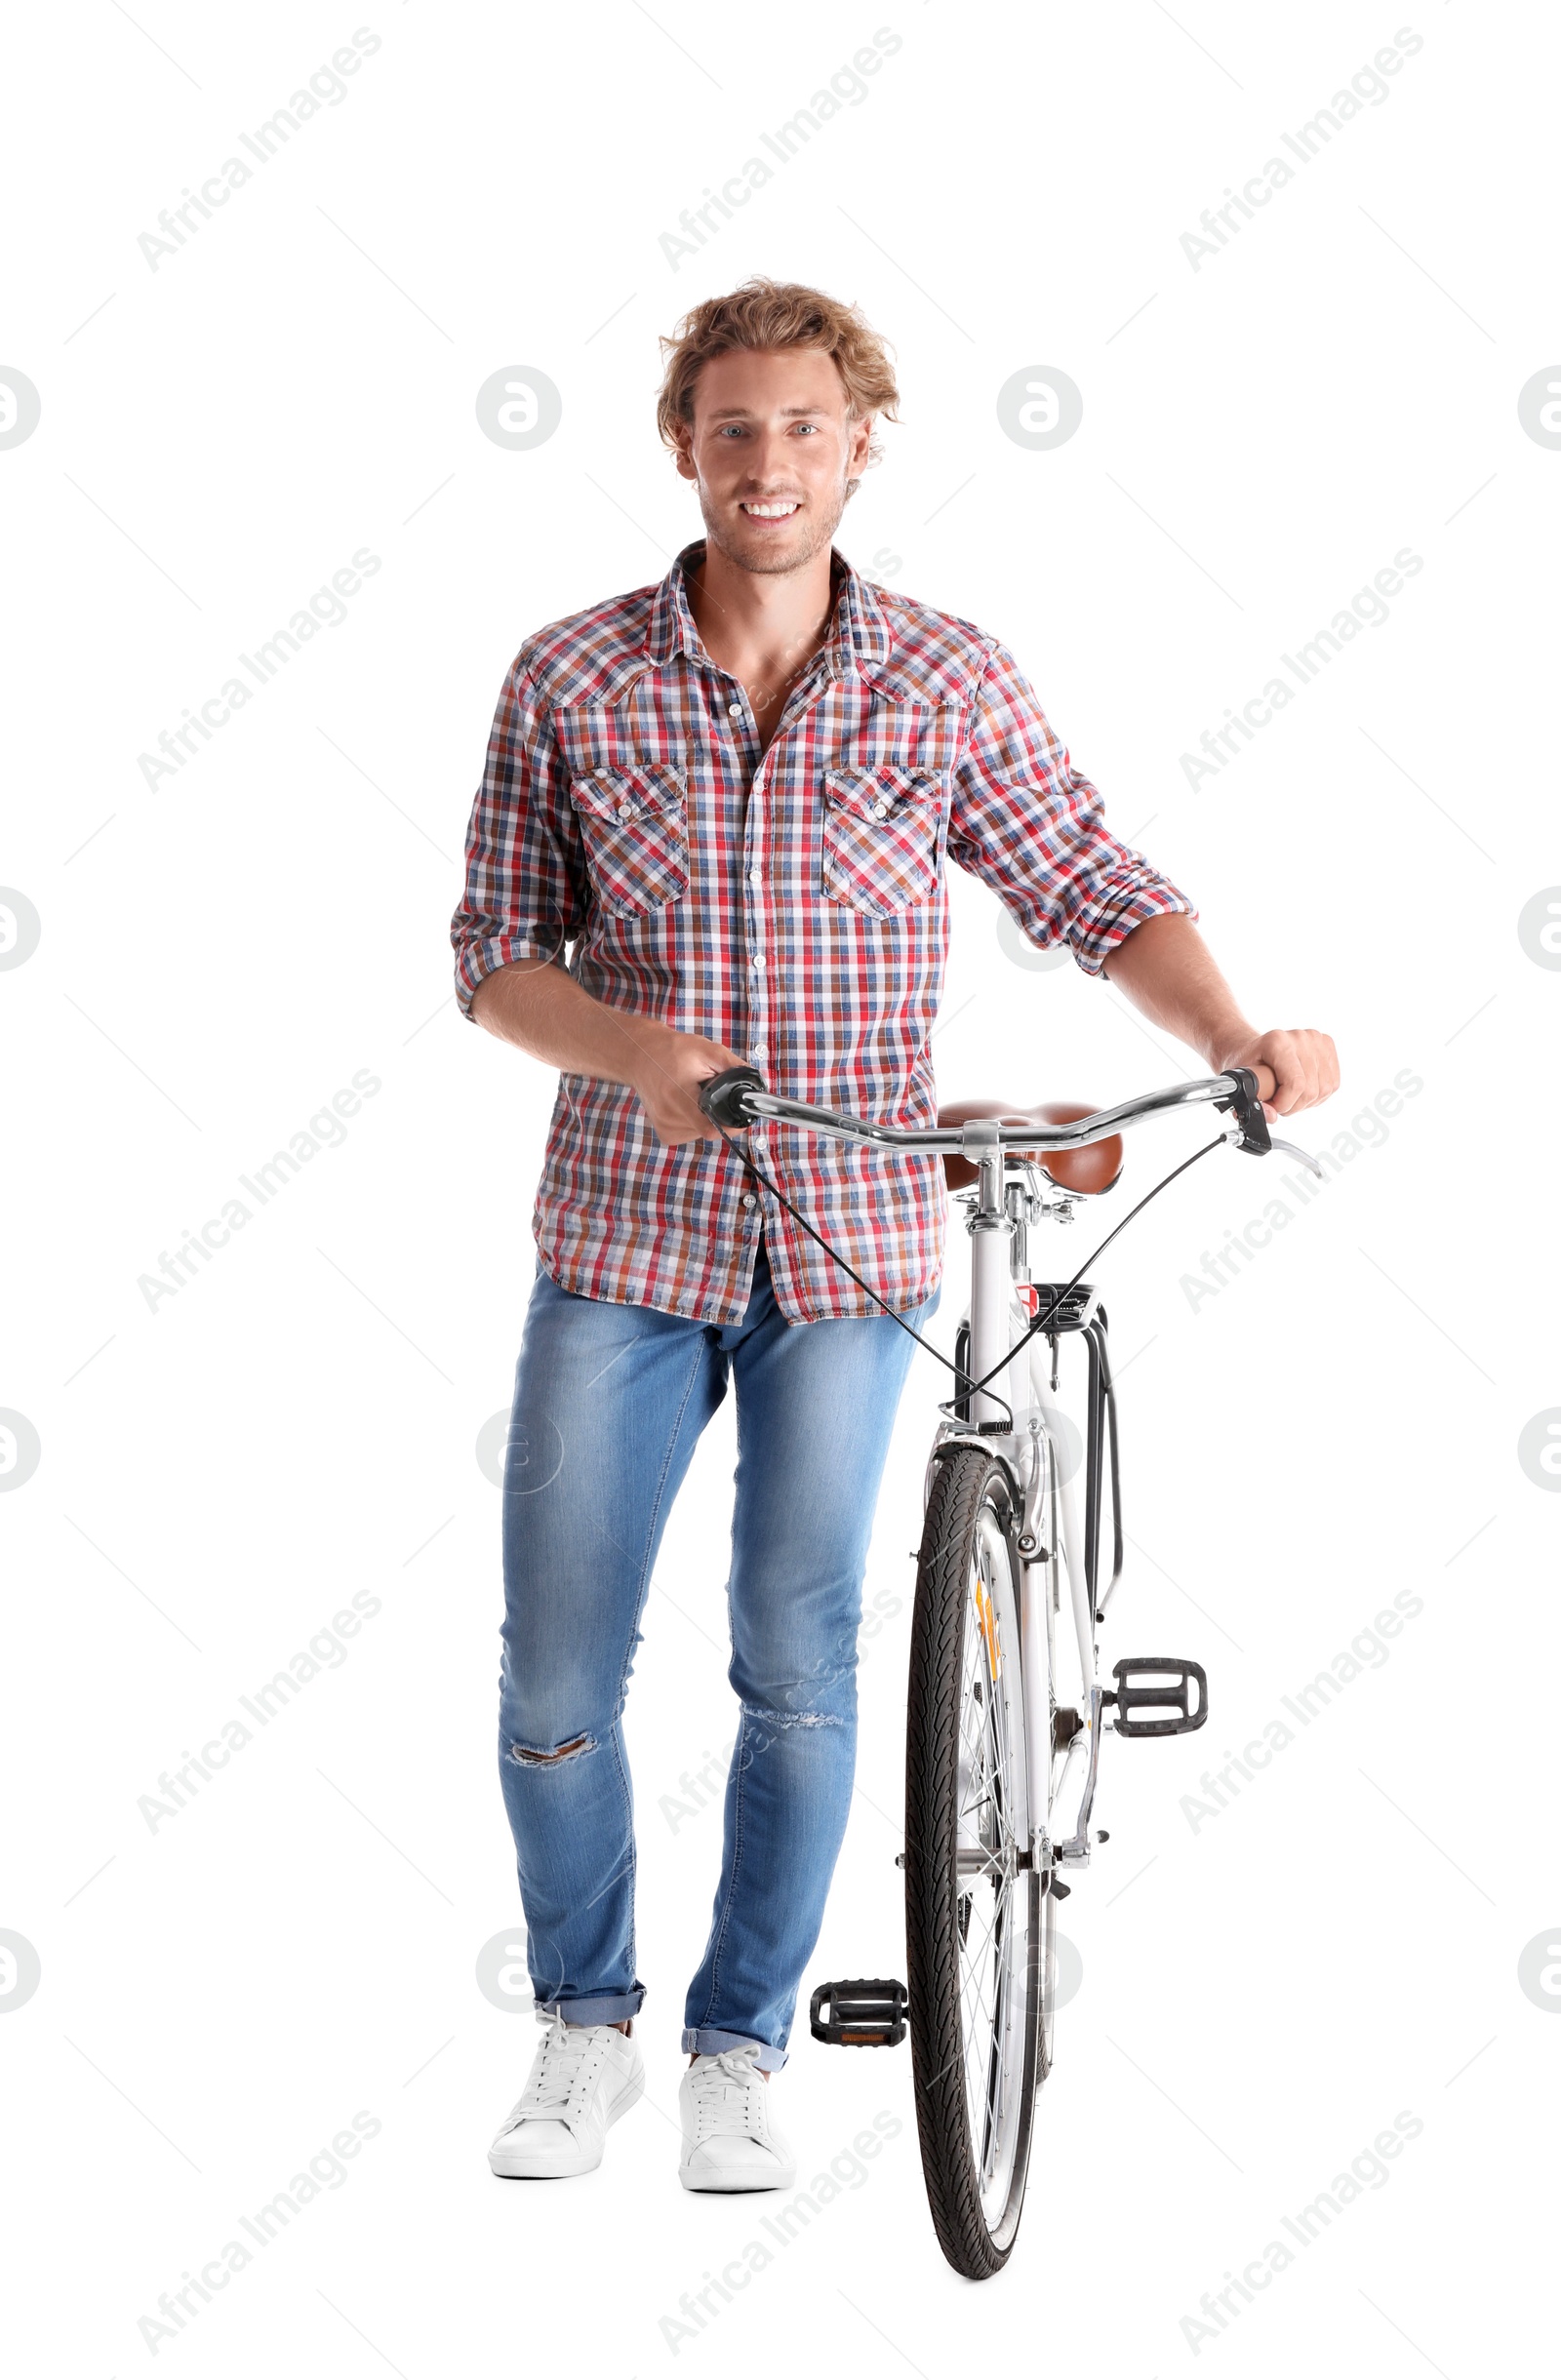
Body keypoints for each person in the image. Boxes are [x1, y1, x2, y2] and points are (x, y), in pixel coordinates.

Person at [450, 277, 1338, 2193]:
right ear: (678, 440)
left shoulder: (941, 675)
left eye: (804, 427)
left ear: (860, 446)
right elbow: (491, 961)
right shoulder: (567, 675)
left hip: (847, 1242)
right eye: (733, 425)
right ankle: (579, 2020)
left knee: (798, 1654)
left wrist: (1237, 1035)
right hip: (619, 1234)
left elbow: (1089, 881)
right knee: (551, 1679)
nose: (768, 460)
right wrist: (631, 1049)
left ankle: (738, 2043)